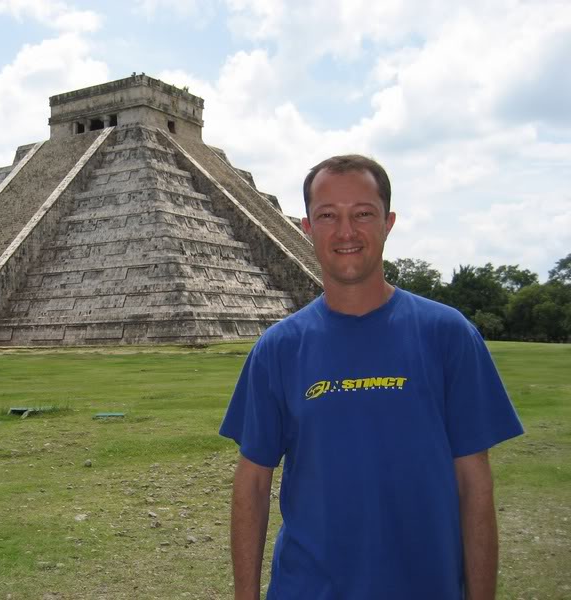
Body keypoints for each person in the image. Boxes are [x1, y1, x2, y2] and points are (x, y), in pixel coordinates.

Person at [220, 154, 523, 600]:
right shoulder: (278, 348)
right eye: (328, 216)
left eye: (363, 213)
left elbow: (474, 484)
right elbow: (253, 482)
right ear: (306, 227)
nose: (346, 231)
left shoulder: (448, 334)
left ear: (388, 222)